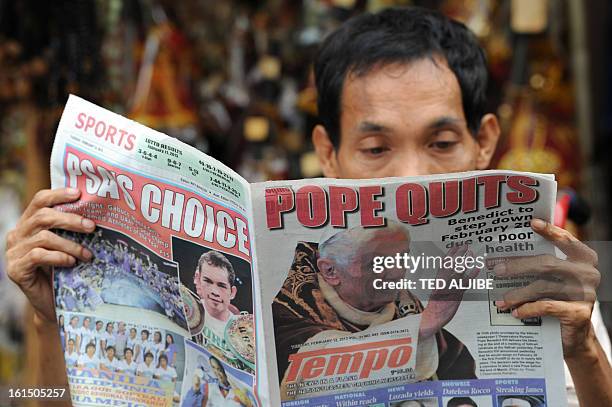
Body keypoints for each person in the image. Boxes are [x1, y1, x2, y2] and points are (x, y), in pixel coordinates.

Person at [4, 6, 611, 407]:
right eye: (375, 148)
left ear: (485, 141)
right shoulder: (280, 297)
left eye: (441, 143)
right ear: (329, 152)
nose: (409, 175)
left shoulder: (532, 268)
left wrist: (584, 350)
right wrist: (53, 321)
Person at [273, 223, 477, 387]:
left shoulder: (403, 301)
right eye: (377, 263)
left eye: (403, 257)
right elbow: (316, 371)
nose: (398, 272)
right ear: (330, 271)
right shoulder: (291, 308)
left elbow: (455, 363)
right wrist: (426, 322)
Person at [193, 250, 238, 354]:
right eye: (208, 281)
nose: (215, 292)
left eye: (221, 286)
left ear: (232, 292)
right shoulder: (187, 312)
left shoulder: (242, 329)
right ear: (198, 280)